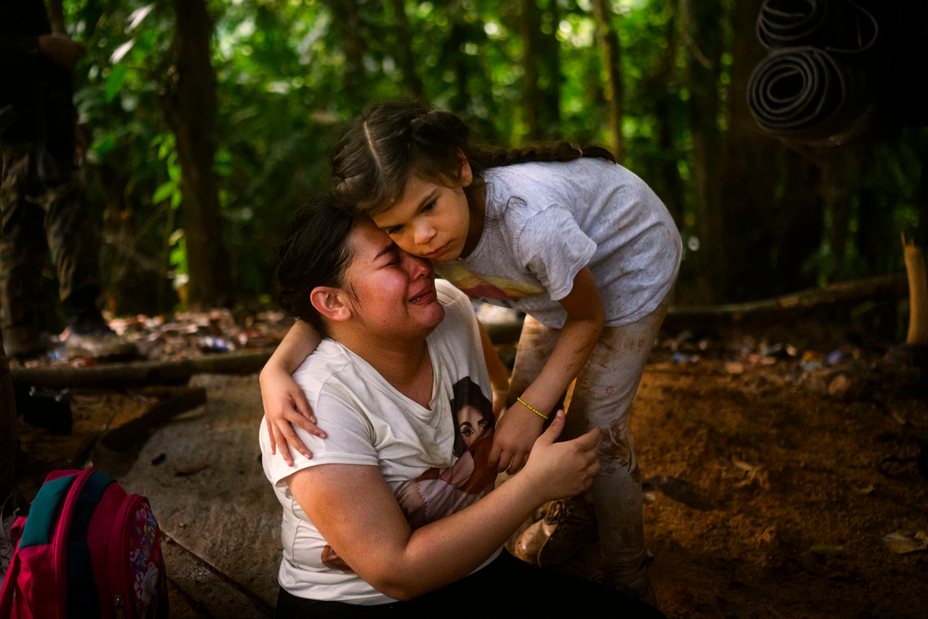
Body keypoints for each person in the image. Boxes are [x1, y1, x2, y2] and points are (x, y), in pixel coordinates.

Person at [260, 99, 682, 605]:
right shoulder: (429, 228)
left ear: (461, 169)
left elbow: (588, 316)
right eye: (394, 231)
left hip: (628, 267)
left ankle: (627, 572)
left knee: (594, 427)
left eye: (427, 208)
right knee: (523, 415)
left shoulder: (529, 222)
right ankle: (568, 505)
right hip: (558, 283)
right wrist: (277, 366)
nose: (420, 239)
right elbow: (336, 302)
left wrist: (527, 411)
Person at [0, 0, 134, 360]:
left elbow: (47, 68)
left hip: (42, 125)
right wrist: (39, 46)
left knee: (19, 224)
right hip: (13, 132)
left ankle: (20, 330)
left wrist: (69, 118)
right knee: (62, 201)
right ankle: (81, 321)